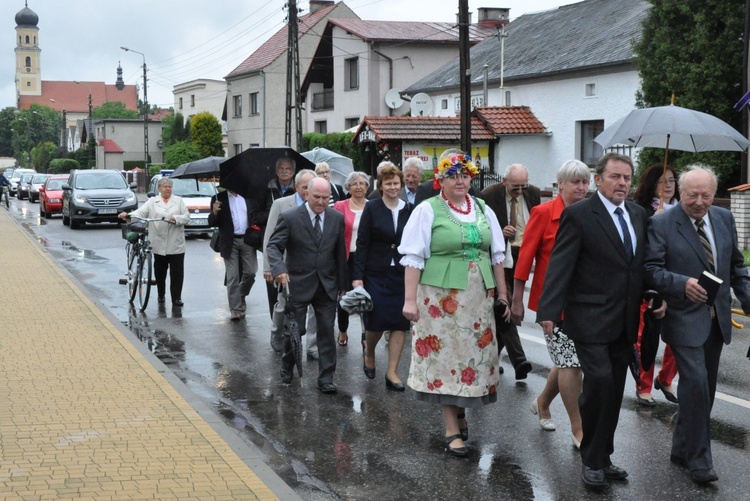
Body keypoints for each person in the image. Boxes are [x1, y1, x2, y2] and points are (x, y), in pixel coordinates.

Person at [536, 152, 666, 488]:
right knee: (599, 385)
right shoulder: (580, 215)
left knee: (613, 390)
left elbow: (640, 266)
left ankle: (604, 457)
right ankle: (591, 460)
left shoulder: (639, 214)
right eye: (615, 177)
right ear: (598, 179)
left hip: (623, 321)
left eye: (627, 178)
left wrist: (655, 295)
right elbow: (560, 264)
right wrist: (549, 311)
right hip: (589, 318)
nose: (622, 183)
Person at [400, 150, 510, 457]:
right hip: (440, 297)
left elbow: (497, 255)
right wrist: (410, 300)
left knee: (473, 356)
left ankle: (461, 413)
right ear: (440, 180)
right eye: (452, 175)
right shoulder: (427, 210)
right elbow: (413, 257)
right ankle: (451, 428)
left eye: (464, 175)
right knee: (447, 357)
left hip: (478, 297)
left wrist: (502, 294)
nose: (460, 181)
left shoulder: (482, 208)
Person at [645, 164, 750, 485]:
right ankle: (700, 459)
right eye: (692, 195)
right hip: (682, 316)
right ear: (680, 193)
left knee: (706, 388)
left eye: (706, 195)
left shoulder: (724, 219)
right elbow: (651, 269)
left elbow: (736, 267)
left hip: (717, 318)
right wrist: (680, 283)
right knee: (696, 385)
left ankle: (681, 447)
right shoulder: (661, 223)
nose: (700, 201)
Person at [510, 160, 590, 449]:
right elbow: (525, 258)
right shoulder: (543, 213)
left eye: (584, 182)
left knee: (568, 360)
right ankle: (578, 428)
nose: (581, 188)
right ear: (560, 185)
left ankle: (543, 403)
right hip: (553, 304)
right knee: (572, 363)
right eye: (574, 183)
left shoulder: (591, 213)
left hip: (586, 302)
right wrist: (517, 300)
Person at [266, 177, 348, 394]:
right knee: (295, 331)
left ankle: (326, 378)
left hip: (326, 285)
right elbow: (273, 246)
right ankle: (287, 365)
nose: (320, 202)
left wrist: (343, 284)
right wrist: (279, 269)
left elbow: (340, 252)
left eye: (325, 197)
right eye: (316, 197)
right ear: (306, 195)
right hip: (298, 284)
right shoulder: (290, 217)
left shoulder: (336, 218)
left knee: (326, 333)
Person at [352, 164, 412, 391]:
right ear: (381, 186)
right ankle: (369, 352)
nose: (393, 187)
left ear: (401, 184)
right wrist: (357, 277)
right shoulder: (372, 208)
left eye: (396, 183)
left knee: (399, 323)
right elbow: (362, 243)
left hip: (401, 274)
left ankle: (392, 372)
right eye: (388, 183)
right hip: (375, 273)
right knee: (376, 320)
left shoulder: (409, 208)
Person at [481, 163, 539, 380]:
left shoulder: (532, 193)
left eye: (524, 186)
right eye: (516, 187)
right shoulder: (489, 195)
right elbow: (481, 227)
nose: (521, 191)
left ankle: (489, 360)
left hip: (524, 253)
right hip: (501, 255)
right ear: (505, 182)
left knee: (511, 308)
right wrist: (500, 232)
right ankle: (519, 360)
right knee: (508, 304)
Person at [632, 164, 680, 406]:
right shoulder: (641, 211)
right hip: (651, 283)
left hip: (678, 284)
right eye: (663, 181)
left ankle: (666, 377)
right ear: (652, 185)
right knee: (647, 339)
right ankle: (644, 386)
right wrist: (656, 221)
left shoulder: (682, 212)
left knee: (680, 337)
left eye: (672, 180)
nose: (669, 185)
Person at [263, 169, 318, 356]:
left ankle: (312, 346)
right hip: (285, 265)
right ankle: (276, 332)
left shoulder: (319, 204)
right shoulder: (280, 204)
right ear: (296, 187)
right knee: (282, 303)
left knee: (313, 308)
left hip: (311, 266)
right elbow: (270, 237)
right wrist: (269, 267)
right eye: (305, 187)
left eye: (311, 187)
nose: (308, 191)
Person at [119, 177, 190, 307]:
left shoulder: (179, 201)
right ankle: (161, 295)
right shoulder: (152, 201)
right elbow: (141, 212)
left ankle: (176, 298)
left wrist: (176, 218)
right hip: (158, 242)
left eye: (169, 187)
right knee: (160, 272)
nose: (167, 189)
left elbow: (186, 217)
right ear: (159, 188)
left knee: (177, 273)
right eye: (165, 187)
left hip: (176, 243)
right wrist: (128, 216)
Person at [209, 188, 262, 321]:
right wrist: (214, 212)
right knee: (233, 276)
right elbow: (211, 223)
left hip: (247, 239)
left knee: (250, 272)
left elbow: (255, 216)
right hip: (229, 241)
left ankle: (241, 295)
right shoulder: (218, 198)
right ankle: (235, 309)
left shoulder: (248, 196)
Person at [333, 171, 370, 347]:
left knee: (367, 297)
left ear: (367, 187)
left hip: (367, 259)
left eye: (362, 183)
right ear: (348, 187)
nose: (358, 187)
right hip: (346, 258)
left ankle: (365, 334)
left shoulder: (373, 206)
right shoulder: (340, 206)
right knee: (345, 296)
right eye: (354, 184)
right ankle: (342, 329)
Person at [263, 157, 297, 317]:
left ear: (293, 172)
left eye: (288, 169)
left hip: (291, 247)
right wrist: (273, 216)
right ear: (276, 171)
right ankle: (276, 324)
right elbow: (255, 214)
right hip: (272, 239)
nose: (284, 171)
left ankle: (290, 326)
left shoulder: (298, 192)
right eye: (281, 169)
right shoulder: (267, 189)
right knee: (274, 287)